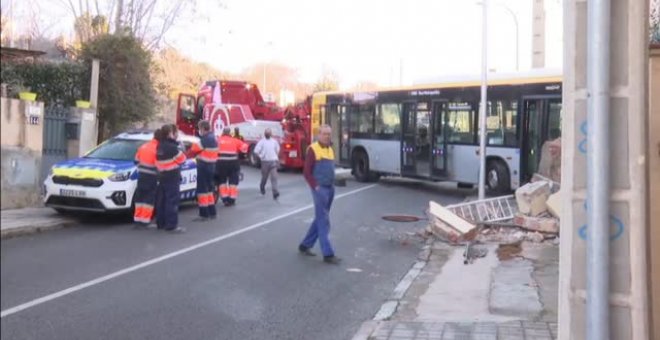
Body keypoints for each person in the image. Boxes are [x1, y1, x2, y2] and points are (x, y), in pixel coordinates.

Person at [298, 125, 341, 264]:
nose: (327, 136)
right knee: (324, 221)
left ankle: (305, 245)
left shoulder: (330, 149)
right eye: (324, 134)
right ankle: (328, 254)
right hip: (320, 189)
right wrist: (315, 187)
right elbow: (306, 172)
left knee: (320, 218)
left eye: (329, 134)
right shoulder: (313, 149)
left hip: (330, 188)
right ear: (318, 135)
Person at [155, 124, 187, 233]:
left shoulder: (160, 146)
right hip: (172, 176)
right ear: (169, 134)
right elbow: (182, 160)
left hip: (162, 176)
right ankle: (171, 225)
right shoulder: (172, 148)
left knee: (162, 201)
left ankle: (161, 223)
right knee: (172, 201)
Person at [189, 120, 218, 221]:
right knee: (209, 190)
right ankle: (212, 211)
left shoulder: (206, 139)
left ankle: (203, 214)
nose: (199, 130)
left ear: (202, 128)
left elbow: (194, 149)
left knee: (202, 190)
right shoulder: (213, 137)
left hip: (204, 166)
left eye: (199, 128)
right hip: (211, 166)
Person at [133, 128, 161, 228]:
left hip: (141, 175)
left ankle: (137, 219)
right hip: (151, 176)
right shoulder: (157, 149)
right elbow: (159, 166)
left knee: (140, 198)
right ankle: (145, 220)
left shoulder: (143, 146)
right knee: (149, 199)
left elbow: (136, 160)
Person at [216, 127, 248, 206]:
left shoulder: (217, 140)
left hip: (220, 164)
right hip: (233, 164)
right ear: (230, 133)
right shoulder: (235, 140)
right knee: (233, 182)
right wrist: (241, 153)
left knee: (222, 181)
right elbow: (244, 147)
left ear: (223, 132)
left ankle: (225, 198)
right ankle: (232, 199)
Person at [254, 128, 280, 199]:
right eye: (266, 133)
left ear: (271, 134)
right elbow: (256, 151)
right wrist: (261, 156)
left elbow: (277, 149)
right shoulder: (261, 142)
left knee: (274, 177)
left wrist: (275, 157)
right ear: (265, 134)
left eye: (269, 133)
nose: (268, 134)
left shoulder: (274, 142)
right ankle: (262, 187)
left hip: (273, 161)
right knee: (264, 177)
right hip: (265, 162)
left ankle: (275, 192)